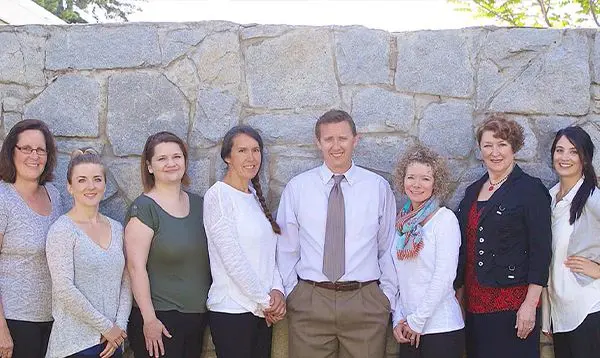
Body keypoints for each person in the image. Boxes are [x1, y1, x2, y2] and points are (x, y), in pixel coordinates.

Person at [276, 109, 397, 358]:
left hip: (365, 302)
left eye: (342, 138)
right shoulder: (298, 188)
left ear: (356, 139)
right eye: (328, 139)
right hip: (310, 301)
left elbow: (387, 247)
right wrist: (294, 295)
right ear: (318, 143)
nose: (336, 146)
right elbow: (286, 248)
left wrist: (384, 298)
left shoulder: (377, 188)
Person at [454, 114, 552, 358]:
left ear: (514, 148)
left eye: (502, 145)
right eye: (488, 145)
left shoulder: (530, 190)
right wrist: (459, 294)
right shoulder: (472, 191)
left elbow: (541, 251)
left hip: (514, 306)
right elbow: (465, 248)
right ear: (480, 149)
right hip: (475, 305)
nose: (494, 152)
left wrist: (530, 305)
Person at [125, 132, 211, 358]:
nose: (171, 163)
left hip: (196, 318)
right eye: (162, 159)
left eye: (177, 156)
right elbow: (135, 268)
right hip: (160, 320)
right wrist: (149, 319)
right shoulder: (144, 208)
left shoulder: (200, 204)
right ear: (150, 167)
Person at [203, 125, 285, 358]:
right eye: (242, 151)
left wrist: (277, 290)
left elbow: (270, 254)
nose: (251, 157)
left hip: (260, 312)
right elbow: (232, 258)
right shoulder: (218, 195)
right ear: (228, 157)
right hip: (232, 312)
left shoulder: (254, 197)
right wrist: (265, 302)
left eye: (256, 150)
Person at [45, 149, 131, 358]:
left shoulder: (117, 228)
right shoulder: (62, 230)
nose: (90, 186)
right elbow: (64, 289)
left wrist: (118, 327)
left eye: (97, 179)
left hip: (112, 344)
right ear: (70, 187)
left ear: (104, 184)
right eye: (81, 180)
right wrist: (106, 327)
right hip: (74, 346)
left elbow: (126, 281)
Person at [390, 145, 464, 358]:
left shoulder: (445, 220)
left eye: (425, 178)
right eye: (411, 177)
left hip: (440, 329)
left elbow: (444, 277)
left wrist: (417, 321)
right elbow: (398, 279)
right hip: (408, 328)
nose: (416, 184)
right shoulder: (401, 225)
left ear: (436, 183)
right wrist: (398, 319)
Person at [0, 119, 62, 358]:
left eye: (40, 150)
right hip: (14, 321)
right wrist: (1, 329)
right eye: (26, 149)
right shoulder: (4, 198)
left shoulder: (54, 196)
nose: (34, 156)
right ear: (11, 152)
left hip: (52, 319)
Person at [541, 126, 600, 358]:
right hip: (561, 312)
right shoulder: (549, 198)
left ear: (584, 159)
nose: (564, 157)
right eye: (559, 150)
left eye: (573, 152)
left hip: (589, 307)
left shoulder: (594, 199)